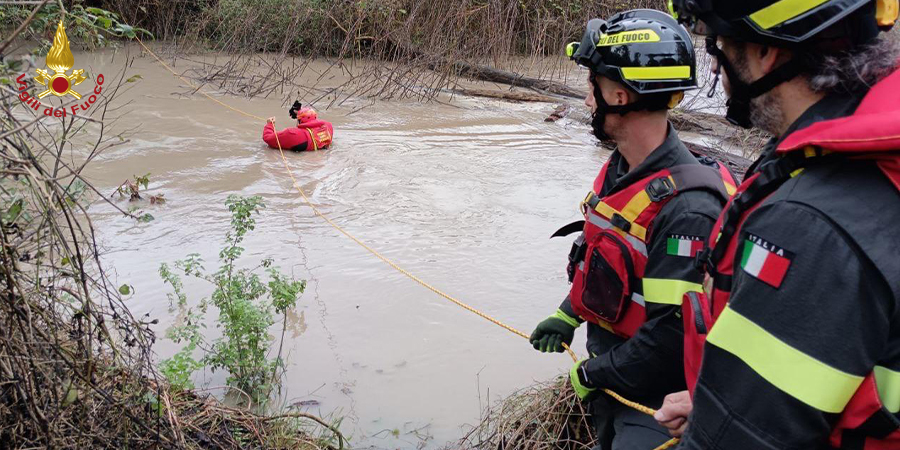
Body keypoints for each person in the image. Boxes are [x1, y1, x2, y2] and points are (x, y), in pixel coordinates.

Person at [654, 1, 900, 448]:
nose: (716, 64)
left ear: (766, 53)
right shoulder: (870, 164)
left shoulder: (810, 223)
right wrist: (725, 403)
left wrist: (725, 424)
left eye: (720, 45)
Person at [528, 9, 735, 450]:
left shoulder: (687, 210)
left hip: (658, 407)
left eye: (592, 87)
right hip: (615, 375)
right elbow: (602, 256)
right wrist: (568, 315)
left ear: (619, 95)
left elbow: (669, 340)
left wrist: (590, 374)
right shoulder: (622, 169)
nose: (587, 100)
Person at [263, 101, 334, 151]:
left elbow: (267, 138)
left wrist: (270, 124)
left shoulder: (292, 134)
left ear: (300, 120)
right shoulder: (328, 126)